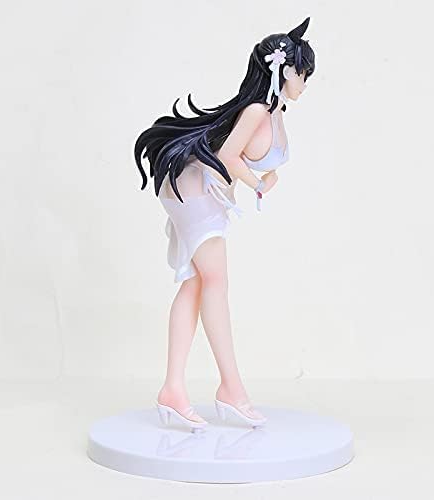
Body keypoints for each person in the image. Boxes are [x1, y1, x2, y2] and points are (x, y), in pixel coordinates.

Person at [134, 17, 316, 431]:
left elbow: (241, 159)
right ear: (283, 69)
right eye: (302, 73)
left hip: (208, 191)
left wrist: (260, 182)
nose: (305, 82)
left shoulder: (274, 111)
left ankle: (174, 390)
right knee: (215, 281)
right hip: (192, 188)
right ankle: (231, 389)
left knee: (198, 283)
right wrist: (259, 185)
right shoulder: (256, 111)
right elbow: (231, 156)